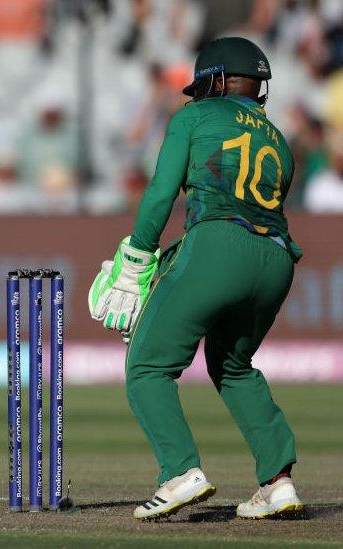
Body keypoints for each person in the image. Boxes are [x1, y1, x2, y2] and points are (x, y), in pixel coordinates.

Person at [88, 37, 304, 521]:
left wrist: (139, 255)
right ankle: (278, 482)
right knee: (233, 365)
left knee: (147, 365)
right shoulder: (280, 141)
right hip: (277, 260)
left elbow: (164, 190)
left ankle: (180, 472)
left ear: (219, 79)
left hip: (217, 247)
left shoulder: (194, 117)